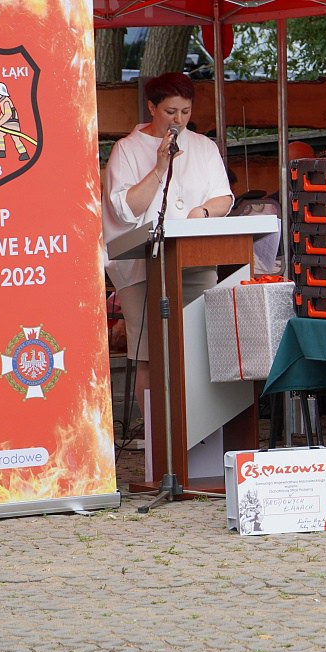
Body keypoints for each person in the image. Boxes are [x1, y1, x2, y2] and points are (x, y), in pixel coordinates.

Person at [103, 73, 234, 417]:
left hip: (193, 260)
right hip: (141, 267)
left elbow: (224, 197)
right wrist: (160, 166)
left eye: (185, 112)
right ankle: (154, 436)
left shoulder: (204, 147)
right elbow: (125, 206)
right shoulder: (127, 150)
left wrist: (201, 211)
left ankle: (197, 426)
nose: (179, 121)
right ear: (151, 107)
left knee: (197, 348)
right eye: (170, 112)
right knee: (150, 353)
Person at [0, 82, 32, 161]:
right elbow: (2, 114)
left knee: (15, 138)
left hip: (12, 123)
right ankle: (2, 152)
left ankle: (24, 153)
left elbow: (8, 114)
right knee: (0, 135)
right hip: (7, 123)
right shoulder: (2, 101)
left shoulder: (6, 101)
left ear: (0, 91)